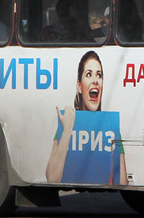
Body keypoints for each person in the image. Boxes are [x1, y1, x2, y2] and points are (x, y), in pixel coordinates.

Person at [45, 51, 127, 185]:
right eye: (88, 74)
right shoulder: (67, 121)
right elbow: (52, 178)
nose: (95, 80)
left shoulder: (111, 127)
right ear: (79, 86)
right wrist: (67, 131)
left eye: (99, 75)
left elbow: (122, 183)